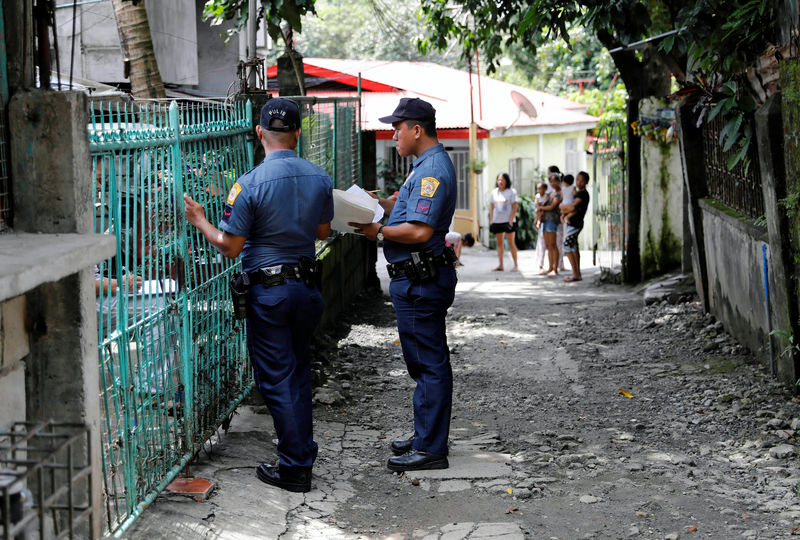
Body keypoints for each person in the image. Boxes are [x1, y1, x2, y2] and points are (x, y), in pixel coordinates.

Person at [183, 98, 333, 493]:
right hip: (306, 289)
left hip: (270, 294)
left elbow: (230, 247)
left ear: (258, 133)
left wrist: (200, 220)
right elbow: (322, 232)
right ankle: (302, 452)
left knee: (278, 380)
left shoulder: (248, 184)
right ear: (298, 133)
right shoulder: (319, 177)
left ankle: (295, 468)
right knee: (298, 372)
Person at [350, 97, 457, 472]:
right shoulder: (422, 167)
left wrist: (377, 230)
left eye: (398, 128)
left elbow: (420, 229)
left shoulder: (432, 172)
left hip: (420, 280)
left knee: (428, 364)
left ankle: (431, 449)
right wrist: (377, 202)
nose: (393, 134)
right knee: (421, 362)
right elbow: (403, 206)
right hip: (415, 279)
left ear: (417, 129)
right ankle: (426, 435)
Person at [559, 171, 591, 282]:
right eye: (577, 180)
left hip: (576, 224)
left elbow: (572, 207)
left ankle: (575, 273)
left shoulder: (583, 194)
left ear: (586, 182)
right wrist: (565, 210)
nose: (579, 182)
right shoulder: (576, 193)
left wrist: (563, 208)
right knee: (573, 247)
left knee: (566, 247)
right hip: (571, 222)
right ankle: (577, 274)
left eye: (582, 180)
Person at [488, 172, 519, 272]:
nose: (500, 182)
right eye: (499, 180)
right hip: (498, 221)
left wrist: (510, 221)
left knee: (511, 243)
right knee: (499, 244)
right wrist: (492, 220)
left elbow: (515, 207)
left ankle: (516, 265)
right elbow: (492, 207)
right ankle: (500, 265)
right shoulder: (494, 192)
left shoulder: (511, 192)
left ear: (507, 181)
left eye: (502, 180)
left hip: (508, 221)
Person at [539, 173, 563, 276]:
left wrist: (541, 208)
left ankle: (555, 268)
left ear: (559, 181)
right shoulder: (552, 193)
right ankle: (550, 267)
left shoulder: (559, 193)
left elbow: (552, 207)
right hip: (545, 220)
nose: (553, 183)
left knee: (553, 245)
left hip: (552, 220)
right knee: (549, 245)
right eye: (551, 181)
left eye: (554, 181)